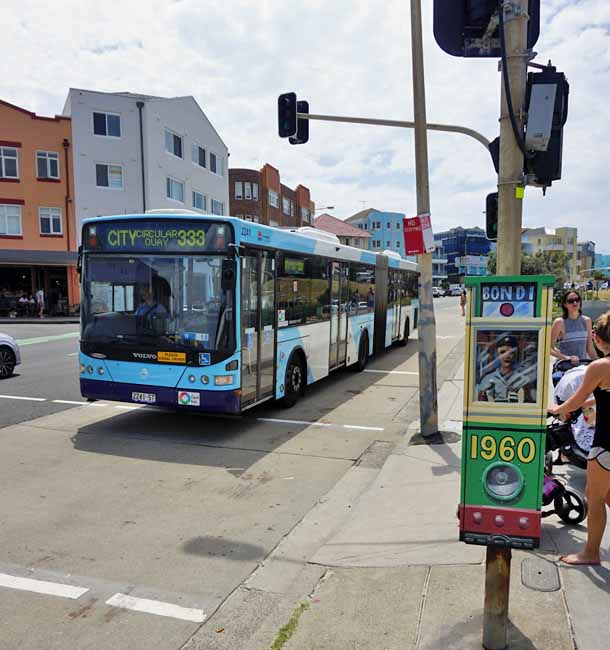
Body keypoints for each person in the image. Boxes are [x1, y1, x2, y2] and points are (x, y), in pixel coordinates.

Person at [549, 311, 610, 565]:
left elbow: (573, 399)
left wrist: (557, 410)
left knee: (594, 497)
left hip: (606, 443)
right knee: (608, 495)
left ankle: (590, 553)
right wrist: (589, 401)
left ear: (597, 338)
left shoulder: (600, 367)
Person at [550, 290, 595, 383]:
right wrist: (567, 358)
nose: (575, 303)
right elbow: (549, 348)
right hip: (565, 370)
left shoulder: (587, 321)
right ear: (565, 304)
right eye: (571, 301)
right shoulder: (559, 322)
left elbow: (590, 348)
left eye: (577, 300)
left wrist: (600, 363)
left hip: (583, 370)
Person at [477, 334, 537, 403]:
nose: (507, 356)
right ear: (497, 354)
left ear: (516, 355)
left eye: (511, 353)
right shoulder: (487, 379)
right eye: (503, 352)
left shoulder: (524, 380)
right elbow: (480, 403)